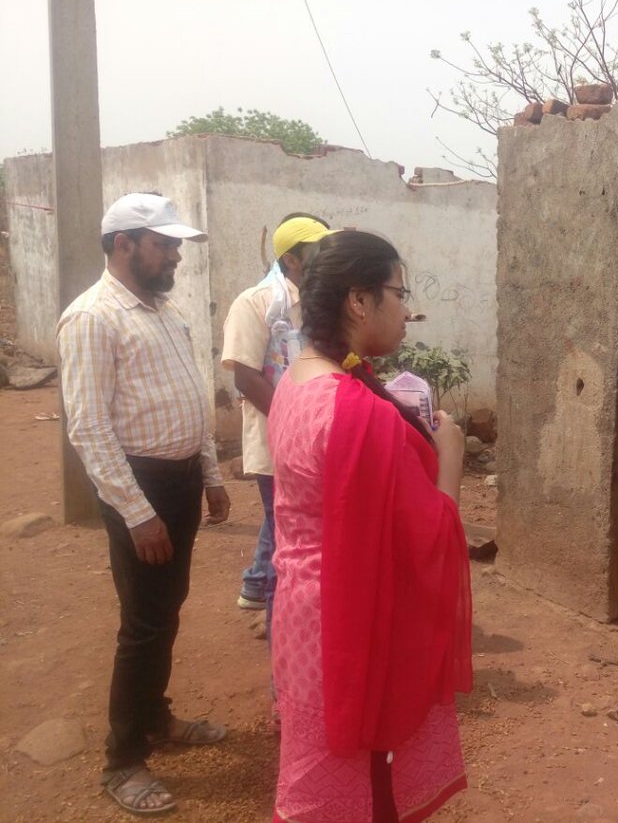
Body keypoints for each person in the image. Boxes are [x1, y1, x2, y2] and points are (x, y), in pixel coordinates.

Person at [268, 230, 473, 822]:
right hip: (351, 618)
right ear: (359, 301)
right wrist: (450, 454)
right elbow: (427, 536)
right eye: (397, 293)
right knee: (360, 775)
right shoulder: (353, 411)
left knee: (329, 758)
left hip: (305, 612)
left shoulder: (298, 380)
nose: (407, 311)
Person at [57, 192, 232, 815]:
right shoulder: (93, 318)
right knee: (144, 624)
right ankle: (123, 760)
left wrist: (210, 474)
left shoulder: (165, 311)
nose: (175, 257)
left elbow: (190, 397)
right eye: (164, 245)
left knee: (167, 607)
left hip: (181, 480)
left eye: (177, 246)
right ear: (123, 244)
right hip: (141, 486)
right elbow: (89, 428)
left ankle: (155, 718)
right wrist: (137, 511)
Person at [223, 213, 331, 623]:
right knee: (287, 536)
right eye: (317, 251)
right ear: (292, 260)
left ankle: (260, 591)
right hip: (279, 443)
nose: (325, 258)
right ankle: (278, 627)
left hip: (318, 442)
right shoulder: (256, 304)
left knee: (290, 531)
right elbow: (246, 377)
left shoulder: (321, 303)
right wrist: (296, 421)